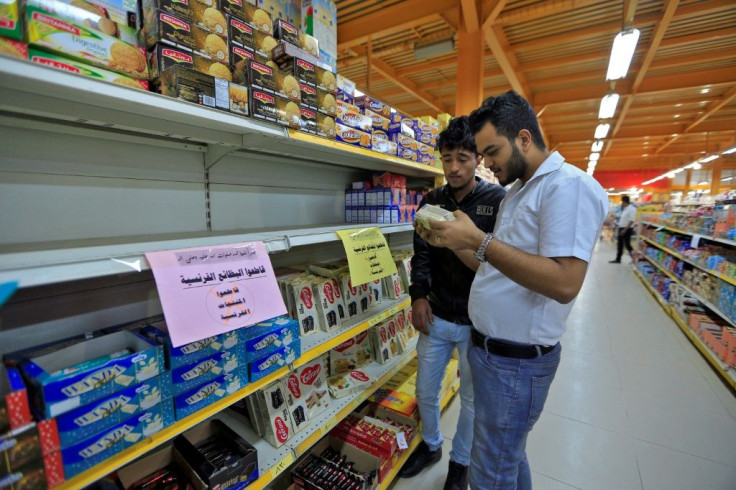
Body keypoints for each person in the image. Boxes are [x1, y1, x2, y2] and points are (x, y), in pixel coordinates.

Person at [414, 91, 608, 489]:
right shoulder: (519, 192)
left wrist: (478, 240)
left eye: (490, 151)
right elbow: (493, 267)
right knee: (507, 456)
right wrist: (457, 243)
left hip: (516, 364)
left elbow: (565, 282)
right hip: (490, 352)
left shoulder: (567, 187)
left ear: (523, 138)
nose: (487, 163)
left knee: (490, 472)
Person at [401, 116, 506, 489]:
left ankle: (460, 462)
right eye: (447, 158)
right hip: (438, 315)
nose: (454, 167)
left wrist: (462, 242)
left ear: (478, 159)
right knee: (426, 391)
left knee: (473, 401)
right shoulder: (432, 200)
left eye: (463, 157)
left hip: (479, 322)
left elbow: (498, 266)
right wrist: (417, 297)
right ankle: (431, 445)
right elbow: (422, 253)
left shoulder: (497, 201)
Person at [609, 195, 636, 263]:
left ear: (624, 201)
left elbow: (631, 220)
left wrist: (624, 230)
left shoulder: (632, 209)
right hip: (622, 228)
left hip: (627, 229)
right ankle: (618, 259)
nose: (622, 203)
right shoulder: (625, 208)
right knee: (620, 244)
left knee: (627, 245)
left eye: (622, 202)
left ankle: (634, 258)